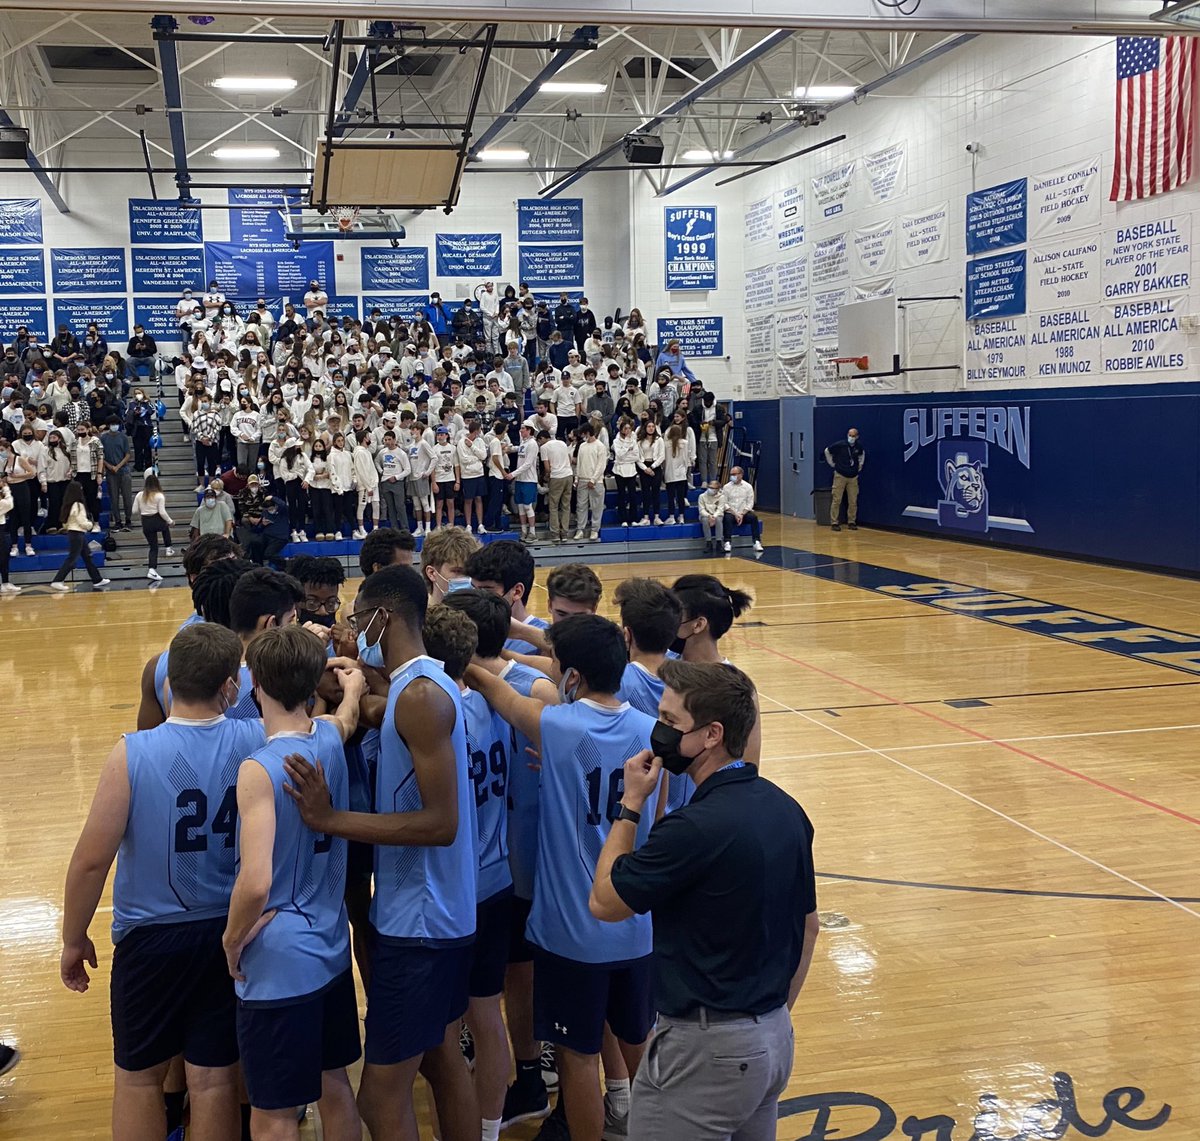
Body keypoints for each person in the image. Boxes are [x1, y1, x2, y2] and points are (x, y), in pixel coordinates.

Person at [282, 565, 481, 1141]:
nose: (350, 626)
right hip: (440, 913)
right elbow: (376, 711)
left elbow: (441, 823)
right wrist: (345, 681)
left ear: (382, 617)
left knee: (381, 1094)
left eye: (355, 618)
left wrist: (329, 818)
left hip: (421, 921)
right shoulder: (417, 686)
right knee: (443, 1060)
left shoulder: (418, 696)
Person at [589, 660, 819, 1141]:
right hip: (773, 1039)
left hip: (704, 1050)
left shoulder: (694, 828)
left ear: (712, 734)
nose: (659, 731)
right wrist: (766, 1021)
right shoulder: (787, 809)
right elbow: (810, 927)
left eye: (672, 722)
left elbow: (606, 902)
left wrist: (630, 805)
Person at [61, 623, 267, 1141]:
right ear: (230, 686)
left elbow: (90, 861)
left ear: (169, 682)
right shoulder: (255, 738)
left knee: (138, 1082)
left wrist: (73, 936)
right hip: (228, 935)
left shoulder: (132, 752)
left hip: (150, 940)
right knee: (215, 1082)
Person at [466, 615, 659, 1141]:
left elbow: (496, 689)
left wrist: (458, 653)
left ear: (570, 676)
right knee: (641, 1050)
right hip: (637, 925)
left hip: (573, 932)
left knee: (578, 1059)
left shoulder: (557, 726)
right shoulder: (650, 734)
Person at [224, 626, 366, 1141]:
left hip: (280, 961)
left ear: (254, 684)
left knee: (274, 1114)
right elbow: (347, 716)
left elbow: (256, 881)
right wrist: (351, 687)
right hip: (330, 948)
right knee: (335, 1088)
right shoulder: (328, 735)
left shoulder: (259, 769)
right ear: (313, 683)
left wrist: (231, 939)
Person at [422, 602, 514, 1141]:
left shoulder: (432, 716)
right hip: (498, 877)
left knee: (448, 1031)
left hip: (453, 891)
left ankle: (454, 1128)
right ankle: (490, 1130)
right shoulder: (492, 705)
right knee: (487, 1018)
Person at [49, 480, 110, 591]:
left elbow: (65, 522)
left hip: (73, 533)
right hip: (78, 533)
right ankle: (58, 580)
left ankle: (97, 579)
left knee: (87, 557)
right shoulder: (78, 505)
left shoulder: (68, 505)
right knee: (72, 558)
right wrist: (90, 525)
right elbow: (82, 522)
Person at [132, 471, 175, 582]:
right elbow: (162, 512)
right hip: (157, 520)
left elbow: (134, 511)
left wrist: (144, 508)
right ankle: (168, 548)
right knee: (165, 527)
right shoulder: (159, 495)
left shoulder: (139, 495)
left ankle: (152, 570)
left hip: (146, 522)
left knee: (153, 547)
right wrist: (170, 521)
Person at [824, 426, 865, 531]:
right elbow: (827, 451)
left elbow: (862, 455)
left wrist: (860, 466)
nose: (851, 437)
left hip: (853, 477)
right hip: (840, 475)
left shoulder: (858, 447)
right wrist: (832, 464)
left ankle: (851, 521)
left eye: (853, 436)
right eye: (850, 435)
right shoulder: (840, 445)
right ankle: (834, 522)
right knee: (837, 499)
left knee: (853, 500)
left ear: (857, 437)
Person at [572, 421, 606, 542]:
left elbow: (601, 465)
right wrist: (576, 478)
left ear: (588, 433)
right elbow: (579, 464)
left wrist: (593, 479)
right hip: (582, 479)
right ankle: (580, 529)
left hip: (596, 482)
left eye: (583, 434)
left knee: (596, 507)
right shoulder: (582, 446)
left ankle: (594, 530)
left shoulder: (600, 446)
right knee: (581, 506)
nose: (582, 437)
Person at [537, 429, 572, 546]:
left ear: (542, 438)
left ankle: (555, 534)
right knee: (566, 506)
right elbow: (569, 459)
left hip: (556, 476)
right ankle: (565, 533)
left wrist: (547, 477)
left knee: (553, 506)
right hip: (568, 475)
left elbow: (547, 467)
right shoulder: (562, 443)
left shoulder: (544, 448)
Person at [718, 466, 762, 554]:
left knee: (753, 518)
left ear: (741, 475)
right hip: (731, 512)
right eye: (731, 474)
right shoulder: (726, 487)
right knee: (727, 518)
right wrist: (735, 514)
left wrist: (742, 514)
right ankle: (727, 542)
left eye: (734, 474)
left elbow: (750, 503)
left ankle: (756, 542)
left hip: (743, 512)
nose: (732, 476)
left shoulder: (748, 486)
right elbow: (724, 503)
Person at [101, 418, 135, 532]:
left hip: (124, 471)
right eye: (112, 424)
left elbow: (127, 455)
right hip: (111, 473)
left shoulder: (123, 437)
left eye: (116, 424)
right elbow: (101, 456)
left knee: (127, 497)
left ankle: (128, 520)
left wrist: (118, 466)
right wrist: (110, 466)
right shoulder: (104, 438)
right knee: (113, 498)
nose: (114, 426)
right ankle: (117, 521)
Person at [697, 479, 724, 553]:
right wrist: (709, 516)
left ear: (717, 489)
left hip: (717, 514)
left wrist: (714, 517)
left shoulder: (721, 497)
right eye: (710, 487)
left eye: (713, 488)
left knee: (718, 519)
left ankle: (719, 542)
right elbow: (701, 510)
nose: (711, 489)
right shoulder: (702, 496)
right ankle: (708, 543)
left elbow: (720, 509)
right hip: (705, 515)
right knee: (705, 520)